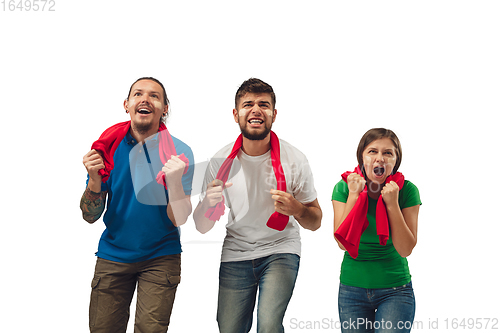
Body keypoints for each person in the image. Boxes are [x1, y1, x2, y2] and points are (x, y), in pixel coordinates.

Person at [193, 78, 322, 333]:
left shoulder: (295, 159)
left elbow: (315, 221)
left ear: (274, 115)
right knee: (228, 328)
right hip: (236, 251)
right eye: (247, 104)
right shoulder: (220, 162)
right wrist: (208, 203)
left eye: (264, 104)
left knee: (269, 325)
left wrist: (297, 209)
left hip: (280, 248)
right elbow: (201, 226)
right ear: (235, 114)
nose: (256, 110)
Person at [80, 77, 194, 333]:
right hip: (113, 253)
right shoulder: (106, 148)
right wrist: (95, 181)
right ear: (127, 104)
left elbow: (180, 219)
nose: (145, 99)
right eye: (138, 94)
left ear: (165, 108)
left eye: (154, 96)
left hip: (160, 256)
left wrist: (174, 182)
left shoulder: (180, 152)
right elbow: (89, 216)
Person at [332, 128, 421, 333]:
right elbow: (341, 243)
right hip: (352, 289)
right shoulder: (344, 187)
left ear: (395, 161)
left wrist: (392, 204)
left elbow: (405, 248)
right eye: (372, 151)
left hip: (395, 290)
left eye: (388, 153)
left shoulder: (407, 190)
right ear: (362, 156)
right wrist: (354, 196)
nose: (379, 158)